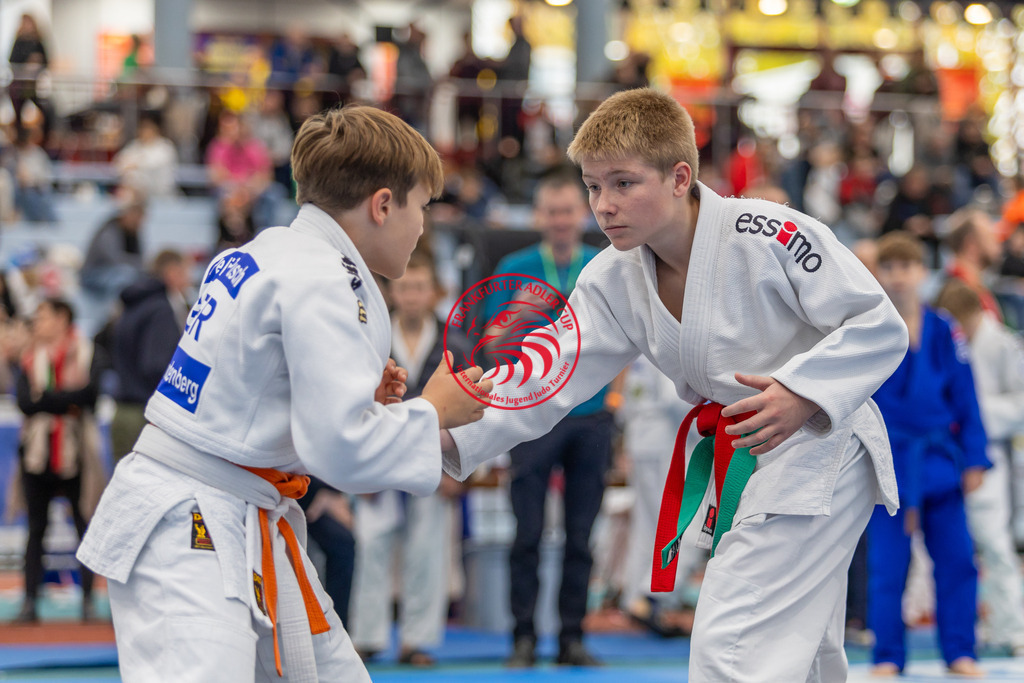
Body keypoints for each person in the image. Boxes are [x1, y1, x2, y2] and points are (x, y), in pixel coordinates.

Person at [440, 88, 908, 681]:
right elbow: (552, 369)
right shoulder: (613, 276)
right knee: (804, 654)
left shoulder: (769, 232)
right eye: (593, 186)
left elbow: (877, 323)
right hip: (748, 457)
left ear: (679, 177)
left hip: (820, 449)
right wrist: (449, 423)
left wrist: (801, 392)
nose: (604, 205)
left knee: (732, 643)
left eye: (623, 183)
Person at [76, 104, 492, 682]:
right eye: (421, 207)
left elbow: (250, 392)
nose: (423, 226)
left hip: (229, 507)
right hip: (192, 521)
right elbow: (339, 449)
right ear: (382, 205)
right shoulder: (321, 278)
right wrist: (432, 411)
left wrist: (355, 395)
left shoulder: (266, 252)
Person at [479, 167, 619, 667]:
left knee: (582, 535)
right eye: (552, 212)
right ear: (539, 216)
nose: (560, 220)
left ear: (582, 214)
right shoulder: (515, 269)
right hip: (533, 416)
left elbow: (627, 337)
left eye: (567, 211)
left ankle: (571, 638)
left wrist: (615, 398)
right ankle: (522, 637)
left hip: (591, 416)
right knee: (527, 533)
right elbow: (491, 345)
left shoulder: (603, 264)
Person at [868, 231, 989, 677]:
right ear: (879, 274)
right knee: (887, 567)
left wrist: (974, 457)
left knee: (957, 561)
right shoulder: (867, 329)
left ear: (922, 272)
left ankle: (960, 651)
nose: (899, 276)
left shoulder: (945, 329)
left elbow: (966, 395)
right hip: (888, 464)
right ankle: (887, 655)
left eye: (907, 267)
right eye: (890, 267)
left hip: (938, 462)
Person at [349, 252, 470, 666]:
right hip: (380, 457)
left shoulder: (455, 343)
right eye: (404, 288)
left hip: (432, 460)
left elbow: (473, 405)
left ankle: (416, 640)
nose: (412, 296)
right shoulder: (372, 337)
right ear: (391, 293)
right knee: (372, 546)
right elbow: (355, 399)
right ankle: (367, 635)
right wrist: (359, 468)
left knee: (427, 551)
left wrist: (460, 468)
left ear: (435, 292)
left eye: (420, 288)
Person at [935, 278, 1024, 656]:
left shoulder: (1002, 343)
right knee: (954, 548)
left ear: (974, 315)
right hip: (947, 454)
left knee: (994, 543)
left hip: (989, 455)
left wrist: (976, 413)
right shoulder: (944, 341)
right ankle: (972, 625)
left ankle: (1012, 628)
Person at [13, 298, 107, 623]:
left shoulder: (87, 352)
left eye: (43, 316)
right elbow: (25, 402)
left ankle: (88, 602)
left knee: (84, 525)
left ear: (62, 317)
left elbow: (90, 395)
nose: (37, 323)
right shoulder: (30, 356)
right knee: (35, 528)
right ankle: (29, 603)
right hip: (38, 454)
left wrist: (47, 399)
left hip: (76, 453)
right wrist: (67, 403)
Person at [108, 250, 191, 462]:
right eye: (185, 272)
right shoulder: (161, 310)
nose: (189, 280)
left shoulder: (135, 304)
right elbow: (155, 365)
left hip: (124, 410)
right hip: (144, 414)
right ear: (172, 273)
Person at [944, 207, 1005, 322]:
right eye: (990, 236)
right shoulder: (958, 294)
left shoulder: (974, 285)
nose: (998, 242)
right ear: (971, 244)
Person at [113, 112, 179, 198]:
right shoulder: (134, 145)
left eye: (148, 127)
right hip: (136, 197)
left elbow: (153, 164)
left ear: (157, 129)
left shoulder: (165, 147)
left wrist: (135, 165)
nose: (144, 131)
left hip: (161, 197)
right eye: (142, 127)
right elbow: (119, 162)